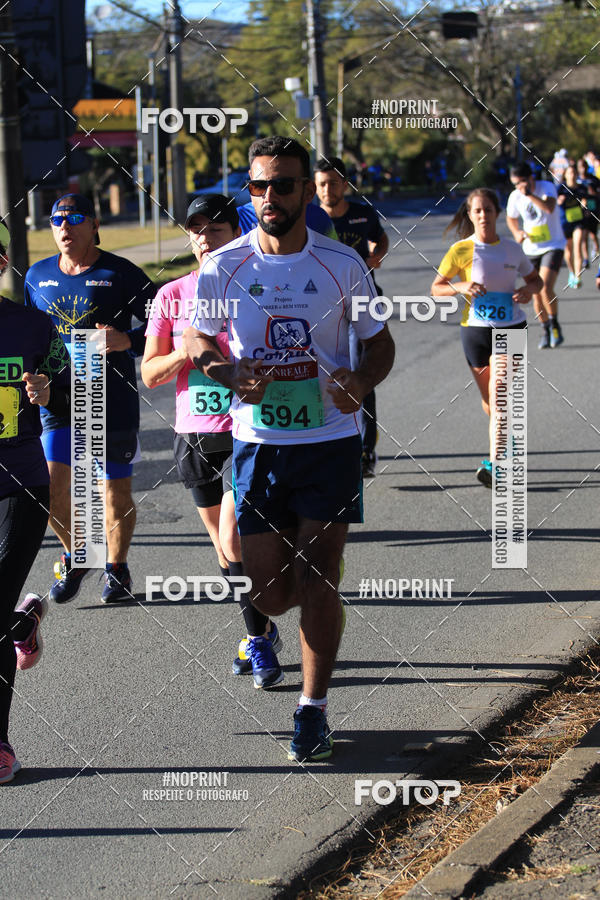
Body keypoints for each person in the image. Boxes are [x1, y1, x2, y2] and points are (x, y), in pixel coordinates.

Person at [184, 136, 395, 761]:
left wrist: (362, 379)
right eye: (257, 186)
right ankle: (284, 619)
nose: (268, 197)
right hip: (259, 444)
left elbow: (379, 343)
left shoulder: (341, 264)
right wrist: (222, 370)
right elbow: (198, 339)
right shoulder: (225, 266)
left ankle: (313, 709)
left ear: (306, 190)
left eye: (281, 185)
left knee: (323, 574)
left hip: (328, 441)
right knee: (268, 590)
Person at [141, 195, 283, 689]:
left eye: (216, 228)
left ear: (234, 233)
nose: (204, 237)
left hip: (245, 429)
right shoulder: (171, 296)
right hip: (194, 435)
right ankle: (260, 627)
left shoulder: (254, 287)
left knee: (232, 538)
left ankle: (259, 643)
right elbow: (150, 374)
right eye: (196, 229)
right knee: (226, 556)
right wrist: (186, 350)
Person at [24, 194, 155, 603]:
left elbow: (164, 322)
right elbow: (28, 336)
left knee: (112, 492)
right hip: (57, 399)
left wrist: (127, 340)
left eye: (75, 218)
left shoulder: (121, 273)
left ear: (94, 224)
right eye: (57, 220)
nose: (65, 226)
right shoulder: (36, 275)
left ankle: (116, 568)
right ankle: (79, 552)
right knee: (45, 491)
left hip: (109, 396)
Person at [0, 220, 71, 782]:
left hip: (17, 484)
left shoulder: (31, 326)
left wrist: (46, 388)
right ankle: (22, 622)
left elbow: (69, 379)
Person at [431, 189, 542, 486]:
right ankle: (504, 440)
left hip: (512, 327)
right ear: (470, 215)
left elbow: (536, 280)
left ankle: (495, 464)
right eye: (477, 211)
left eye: (488, 210)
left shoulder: (512, 249)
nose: (483, 215)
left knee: (500, 393)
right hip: (475, 331)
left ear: (498, 212)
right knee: (490, 401)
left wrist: (528, 292)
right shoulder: (461, 250)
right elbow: (437, 288)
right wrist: (461, 286)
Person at [313, 156, 390, 478]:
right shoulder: (310, 219)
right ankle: (322, 440)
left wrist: (377, 254)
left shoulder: (362, 213)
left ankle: (364, 450)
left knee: (359, 373)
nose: (326, 190)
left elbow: (380, 236)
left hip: (362, 300)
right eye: (320, 184)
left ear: (344, 184)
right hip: (321, 303)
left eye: (332, 183)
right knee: (321, 369)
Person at [506, 163, 566, 349]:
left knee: (545, 287)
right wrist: (516, 232)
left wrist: (530, 195)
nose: (519, 187)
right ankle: (545, 329)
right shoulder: (515, 196)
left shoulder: (546, 188)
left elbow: (549, 208)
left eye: (521, 182)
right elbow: (511, 217)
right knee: (536, 294)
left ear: (531, 178)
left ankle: (555, 323)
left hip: (553, 245)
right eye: (515, 184)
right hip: (531, 249)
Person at [557, 164, 588, 288]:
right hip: (564, 222)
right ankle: (571, 271)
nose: (572, 175)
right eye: (570, 173)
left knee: (577, 248)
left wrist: (584, 205)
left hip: (578, 221)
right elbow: (554, 202)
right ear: (565, 175)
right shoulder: (560, 188)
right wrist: (560, 200)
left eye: (574, 173)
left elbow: (586, 200)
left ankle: (578, 276)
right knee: (568, 251)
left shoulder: (581, 188)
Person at [576, 157, 600, 267]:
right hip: (580, 210)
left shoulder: (594, 180)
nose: (583, 169)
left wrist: (593, 193)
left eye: (584, 166)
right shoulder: (576, 180)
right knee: (583, 235)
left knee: (592, 234)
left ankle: (597, 249)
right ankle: (586, 259)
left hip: (593, 209)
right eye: (580, 166)